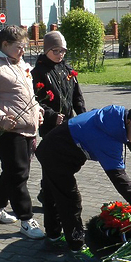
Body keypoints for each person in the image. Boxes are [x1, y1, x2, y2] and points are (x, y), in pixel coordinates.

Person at [35, 105, 131, 262]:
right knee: (70, 200)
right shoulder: (109, 138)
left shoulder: (114, 119)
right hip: (56, 154)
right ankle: (77, 247)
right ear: (129, 122)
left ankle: (53, 236)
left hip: (53, 146)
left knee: (53, 194)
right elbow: (119, 178)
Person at [0, 25, 45, 239]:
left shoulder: (18, 64)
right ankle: (26, 218)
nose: (23, 51)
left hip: (26, 128)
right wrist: (0, 119)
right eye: (19, 46)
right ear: (5, 45)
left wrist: (37, 110)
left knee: (13, 171)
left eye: (25, 46)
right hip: (7, 130)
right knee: (18, 173)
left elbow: (26, 94)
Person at [31, 31, 86, 203]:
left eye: (62, 51)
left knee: (63, 160)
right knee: (51, 159)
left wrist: (84, 117)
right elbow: (35, 100)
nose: (60, 55)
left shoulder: (67, 70)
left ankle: (48, 191)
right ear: (46, 50)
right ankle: (48, 193)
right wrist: (52, 115)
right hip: (50, 124)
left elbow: (77, 97)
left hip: (68, 124)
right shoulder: (39, 72)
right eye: (55, 51)